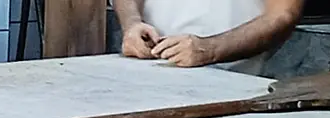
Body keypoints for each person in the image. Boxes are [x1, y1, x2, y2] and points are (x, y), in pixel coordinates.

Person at [114, 0, 304, 73]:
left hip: (230, 82)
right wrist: (132, 23)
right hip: (145, 69)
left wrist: (211, 50)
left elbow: (283, 14)